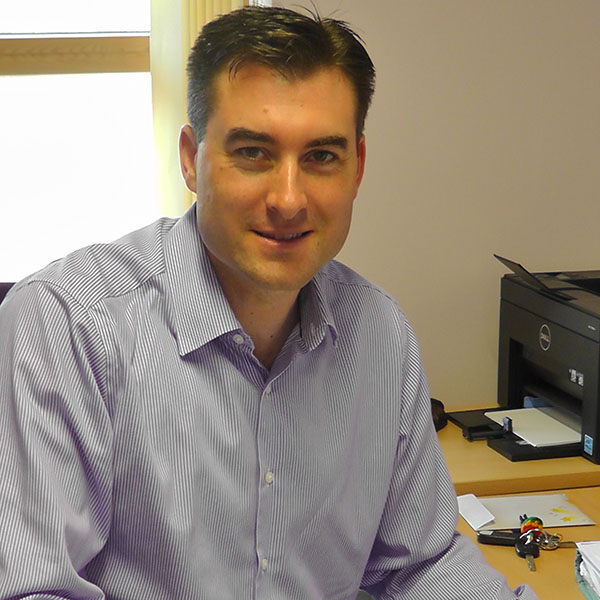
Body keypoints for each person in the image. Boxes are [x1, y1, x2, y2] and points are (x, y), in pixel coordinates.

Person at [0, 7, 537, 599]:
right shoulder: (63, 327)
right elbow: (34, 589)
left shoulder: (379, 334)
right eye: (254, 152)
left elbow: (419, 565)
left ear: (357, 167)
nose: (288, 199)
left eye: (321, 157)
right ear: (190, 159)